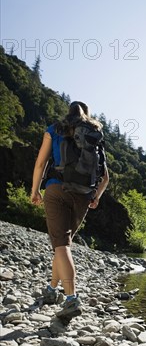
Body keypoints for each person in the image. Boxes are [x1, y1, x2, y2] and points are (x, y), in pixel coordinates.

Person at [30, 101, 109, 320]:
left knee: (61, 245)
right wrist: (96, 196)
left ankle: (72, 299)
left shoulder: (54, 129)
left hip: (56, 188)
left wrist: (35, 190)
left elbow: (40, 164)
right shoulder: (94, 135)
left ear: (68, 112)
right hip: (83, 195)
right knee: (62, 245)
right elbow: (105, 177)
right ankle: (51, 290)